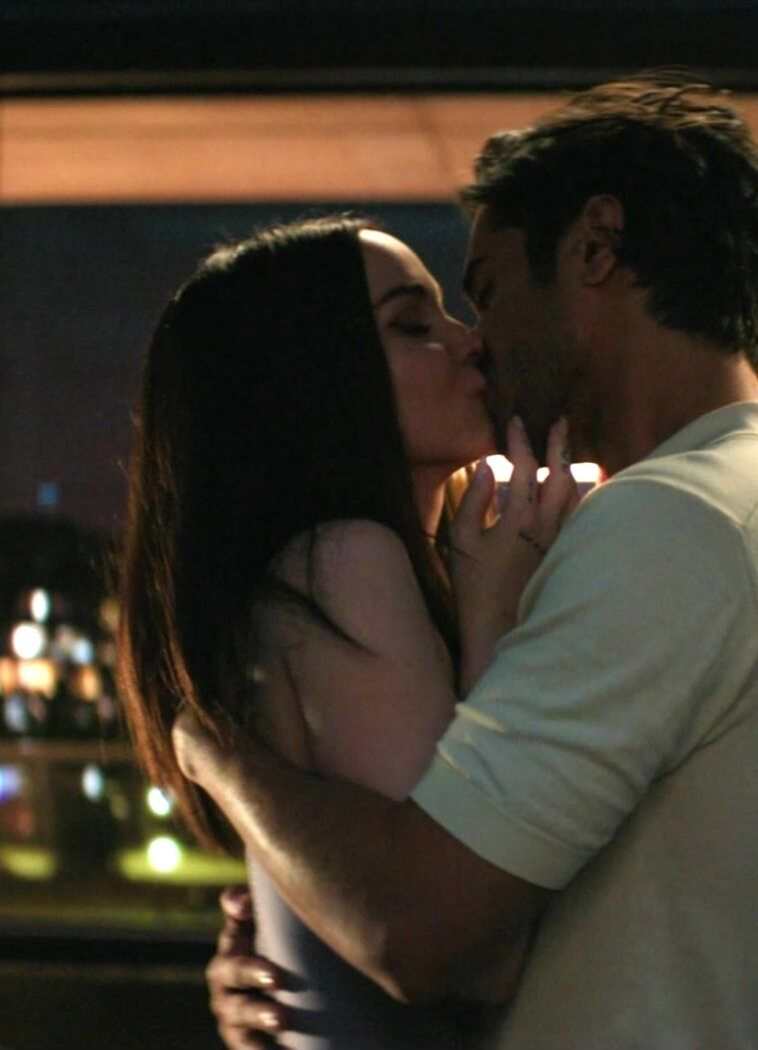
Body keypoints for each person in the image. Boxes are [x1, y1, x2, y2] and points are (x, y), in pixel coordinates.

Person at [184, 73, 758, 1049]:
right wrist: (301, 956)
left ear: (595, 248)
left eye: (489, 291)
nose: (479, 342)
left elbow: (421, 932)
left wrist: (223, 760)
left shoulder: (673, 526)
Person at [115, 215, 580, 1049]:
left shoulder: (367, 566)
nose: (468, 341)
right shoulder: (345, 561)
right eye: (413, 324)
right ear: (311, 380)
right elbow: (468, 945)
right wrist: (490, 626)